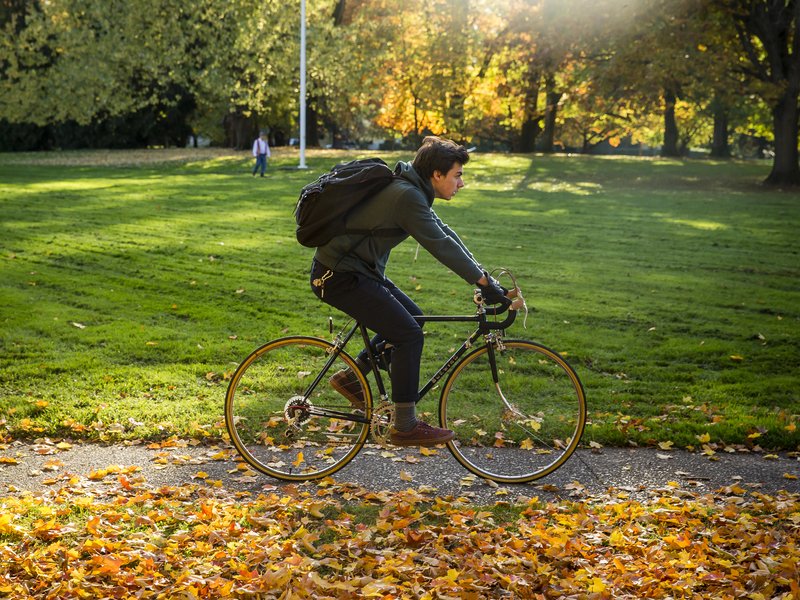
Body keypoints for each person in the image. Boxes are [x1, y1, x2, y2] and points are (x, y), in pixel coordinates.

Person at [309, 136, 509, 447]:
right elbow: (440, 247)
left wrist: (485, 279)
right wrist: (484, 284)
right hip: (338, 276)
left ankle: (351, 378)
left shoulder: (412, 190)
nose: (462, 183)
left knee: (414, 318)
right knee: (409, 335)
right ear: (437, 175)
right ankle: (404, 425)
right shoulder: (406, 196)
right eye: (458, 175)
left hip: (357, 271)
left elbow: (445, 234)